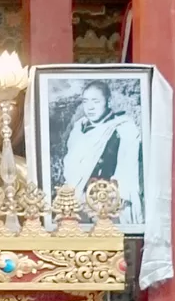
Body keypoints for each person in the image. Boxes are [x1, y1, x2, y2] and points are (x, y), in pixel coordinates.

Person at [61, 79, 143, 225]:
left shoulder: (123, 129)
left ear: (108, 101)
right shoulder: (78, 129)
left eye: (96, 101)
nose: (90, 107)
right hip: (77, 201)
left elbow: (127, 171)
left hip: (108, 202)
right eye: (86, 102)